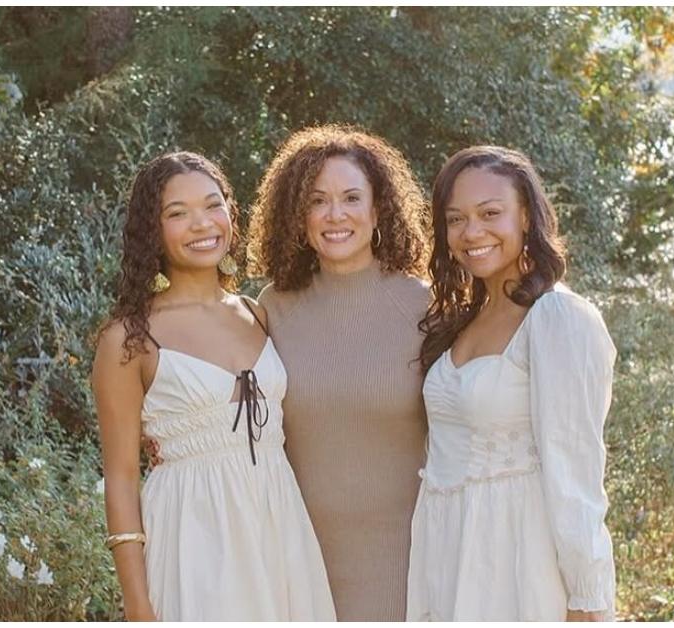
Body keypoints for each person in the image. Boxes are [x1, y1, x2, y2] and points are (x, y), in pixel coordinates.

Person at [91, 151, 334, 621]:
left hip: (280, 532)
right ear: (152, 231)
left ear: (230, 212)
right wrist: (137, 603)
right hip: (194, 537)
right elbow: (121, 477)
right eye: (177, 213)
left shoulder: (256, 312)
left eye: (212, 205)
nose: (202, 224)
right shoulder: (127, 338)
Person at [408, 145, 617, 621]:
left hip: (520, 563)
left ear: (527, 217)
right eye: (456, 218)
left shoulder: (557, 317)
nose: (471, 232)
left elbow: (576, 470)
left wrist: (587, 597)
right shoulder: (463, 319)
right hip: (448, 553)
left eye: (490, 213)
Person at [246, 124, 433, 620]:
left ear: (378, 210)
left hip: (407, 561)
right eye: (317, 201)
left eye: (352, 197)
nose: (335, 215)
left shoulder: (425, 304)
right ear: (297, 215)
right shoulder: (273, 307)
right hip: (300, 560)